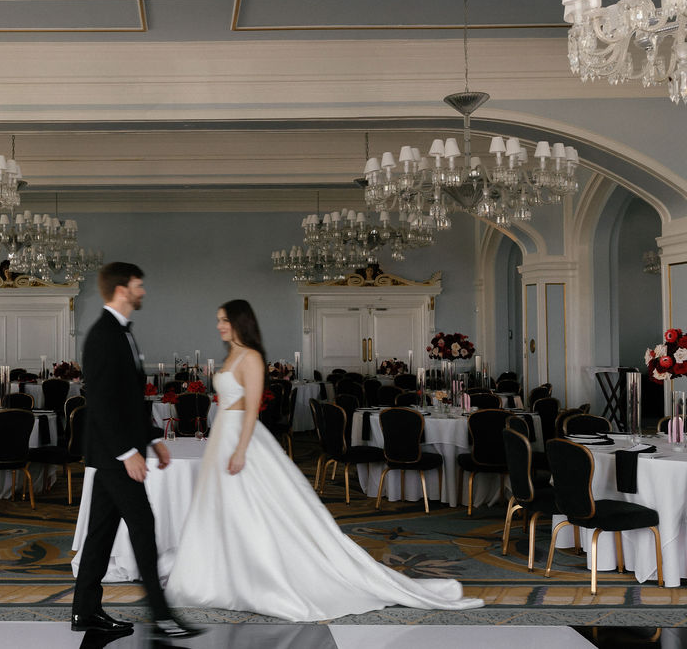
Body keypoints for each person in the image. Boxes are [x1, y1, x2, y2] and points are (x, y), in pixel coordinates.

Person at [165, 299, 484, 621]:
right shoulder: (231, 354)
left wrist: (240, 449)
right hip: (222, 432)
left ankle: (260, 574)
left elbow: (251, 409)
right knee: (220, 505)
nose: (219, 325)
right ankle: (223, 570)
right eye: (219, 320)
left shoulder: (250, 357)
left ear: (239, 322)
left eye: (224, 320)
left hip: (240, 436)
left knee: (258, 506)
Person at [71, 262, 202, 640]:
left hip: (116, 451)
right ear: (121, 289)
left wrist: (152, 439)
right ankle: (162, 616)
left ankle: (85, 611)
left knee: (99, 533)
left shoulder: (122, 333)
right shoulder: (102, 335)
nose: (143, 291)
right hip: (114, 455)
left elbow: (129, 400)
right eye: (138, 285)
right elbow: (100, 402)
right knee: (143, 527)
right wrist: (128, 452)